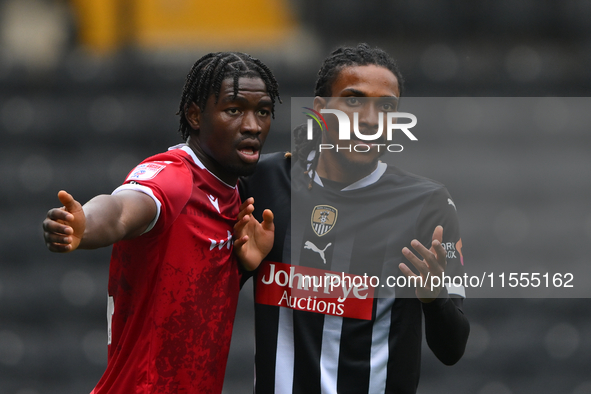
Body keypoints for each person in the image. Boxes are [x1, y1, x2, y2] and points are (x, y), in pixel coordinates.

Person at [239, 43, 470, 394]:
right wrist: (240, 267)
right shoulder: (264, 180)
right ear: (320, 110)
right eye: (353, 100)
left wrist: (434, 297)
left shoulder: (427, 204)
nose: (369, 118)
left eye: (387, 107)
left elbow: (453, 348)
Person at [42, 52, 277, 394]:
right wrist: (85, 226)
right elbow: (121, 210)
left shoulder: (236, 198)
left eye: (263, 112)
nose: (253, 125)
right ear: (195, 115)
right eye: (234, 110)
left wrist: (241, 269)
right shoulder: (175, 177)